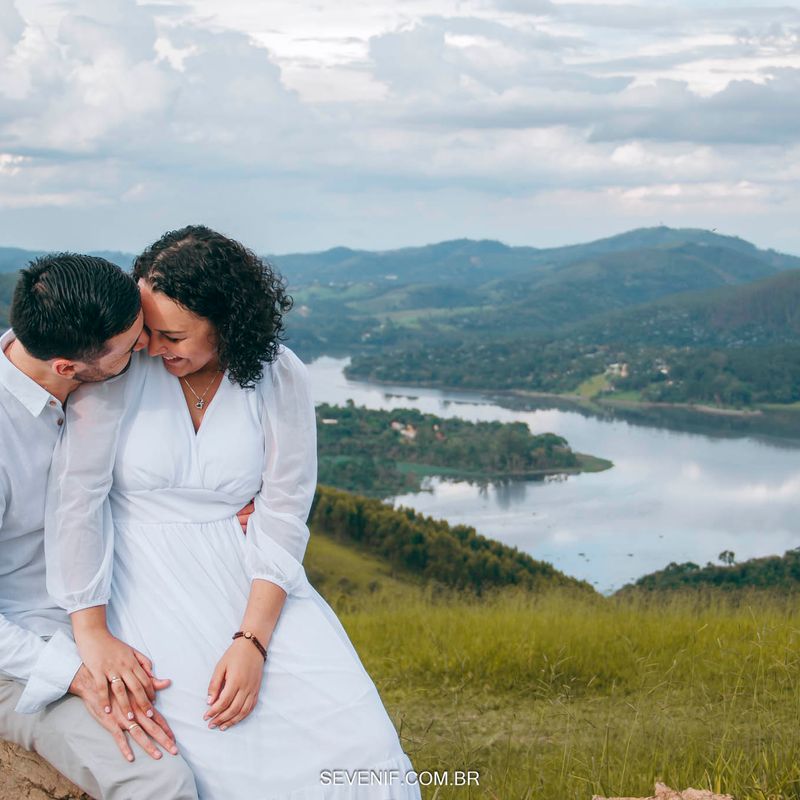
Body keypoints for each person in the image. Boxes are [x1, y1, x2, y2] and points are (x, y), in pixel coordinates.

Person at [46, 226, 421, 800]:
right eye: (147, 329)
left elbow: (285, 508)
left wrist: (251, 641)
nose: (152, 346)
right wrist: (90, 632)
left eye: (172, 334)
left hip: (251, 576)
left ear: (225, 323)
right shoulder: (122, 369)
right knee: (214, 748)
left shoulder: (279, 374)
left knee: (359, 744)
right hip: (137, 577)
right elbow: (77, 500)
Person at [0, 254, 199, 799]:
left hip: (120, 606)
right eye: (133, 343)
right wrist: (71, 671)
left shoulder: (101, 351)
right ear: (67, 367)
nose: (148, 348)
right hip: (24, 645)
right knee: (160, 779)